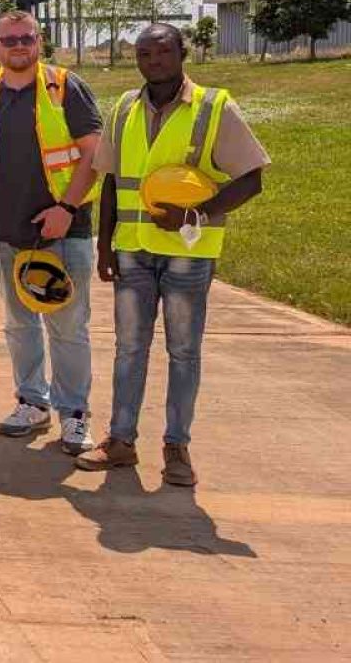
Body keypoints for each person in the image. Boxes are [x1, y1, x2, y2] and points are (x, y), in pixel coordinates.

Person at [76, 24, 268, 486]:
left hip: (188, 256)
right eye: (144, 53)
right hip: (133, 253)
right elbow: (110, 179)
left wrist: (195, 213)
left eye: (163, 52)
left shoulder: (213, 107)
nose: (153, 61)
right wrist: (105, 244)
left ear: (183, 54)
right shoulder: (124, 108)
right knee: (129, 350)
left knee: (183, 352)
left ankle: (176, 448)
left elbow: (252, 178)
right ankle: (121, 441)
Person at [0, 10, 103, 455]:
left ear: (40, 41)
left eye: (26, 38)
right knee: (18, 324)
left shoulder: (65, 87)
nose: (18, 46)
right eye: (9, 40)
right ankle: (31, 402)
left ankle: (74, 414)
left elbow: (94, 154)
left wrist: (66, 208)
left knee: (67, 326)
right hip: (4, 230)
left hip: (63, 231)